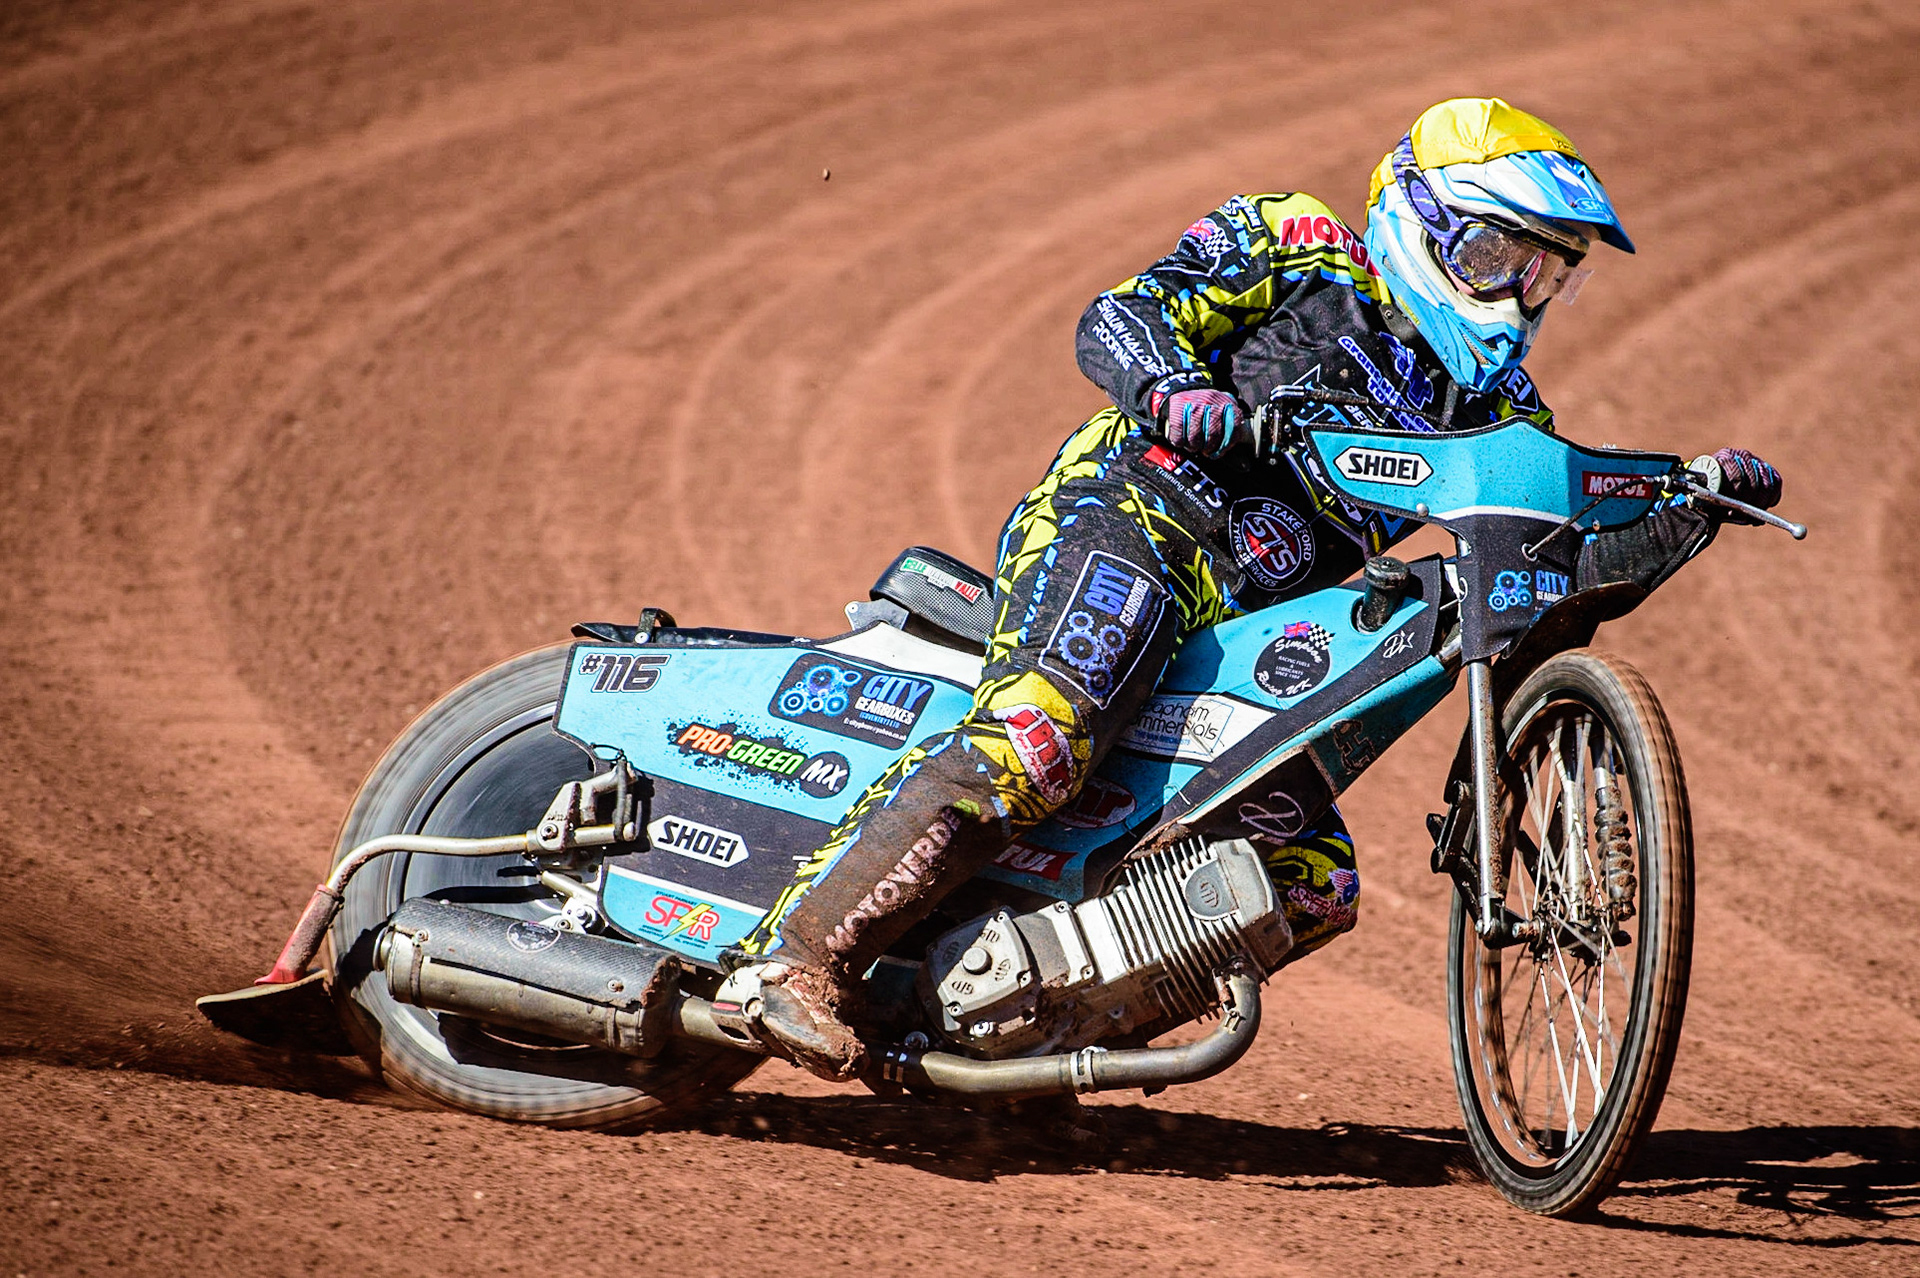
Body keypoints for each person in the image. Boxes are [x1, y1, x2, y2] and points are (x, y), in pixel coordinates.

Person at [731, 97, 1782, 1081]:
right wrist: (1174, 392)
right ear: (1422, 221)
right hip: (1139, 515)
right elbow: (1124, 314)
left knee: (1311, 880)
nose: (1516, 294)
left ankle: (1011, 1029)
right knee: (1046, 730)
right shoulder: (1301, 244)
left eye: (1546, 274)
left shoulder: (1501, 414)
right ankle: (797, 959)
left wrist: (1682, 511)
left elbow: (1545, 581)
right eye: (1498, 255)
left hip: (1255, 631)